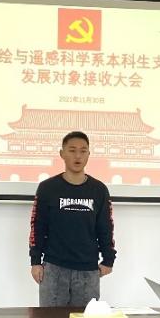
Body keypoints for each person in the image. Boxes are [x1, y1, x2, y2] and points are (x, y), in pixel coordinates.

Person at [29, 131, 116, 307]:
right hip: (54, 268)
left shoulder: (99, 190)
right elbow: (37, 226)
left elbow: (106, 228)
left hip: (88, 270)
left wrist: (108, 260)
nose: (78, 156)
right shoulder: (47, 188)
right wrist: (35, 262)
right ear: (62, 154)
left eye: (83, 151)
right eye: (72, 150)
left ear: (89, 155)